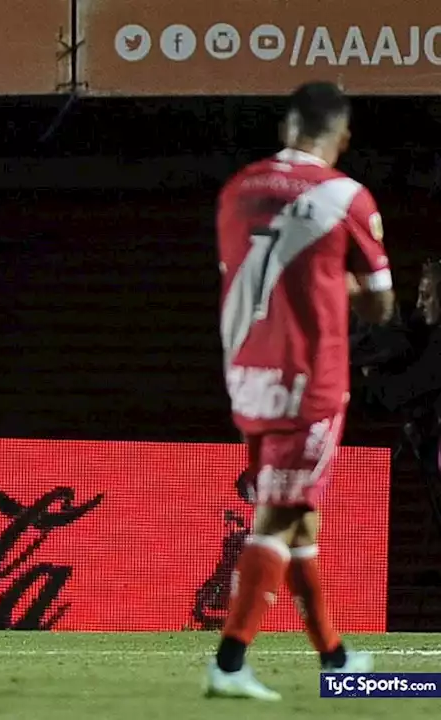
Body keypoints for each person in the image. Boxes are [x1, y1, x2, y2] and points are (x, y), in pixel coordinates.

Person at [207, 81, 394, 700]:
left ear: (288, 128)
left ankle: (336, 660)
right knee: (280, 516)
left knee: (300, 520)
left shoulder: (238, 189)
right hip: (309, 380)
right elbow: (380, 305)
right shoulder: (345, 195)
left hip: (248, 375)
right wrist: (339, 288)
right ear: (340, 136)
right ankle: (229, 664)